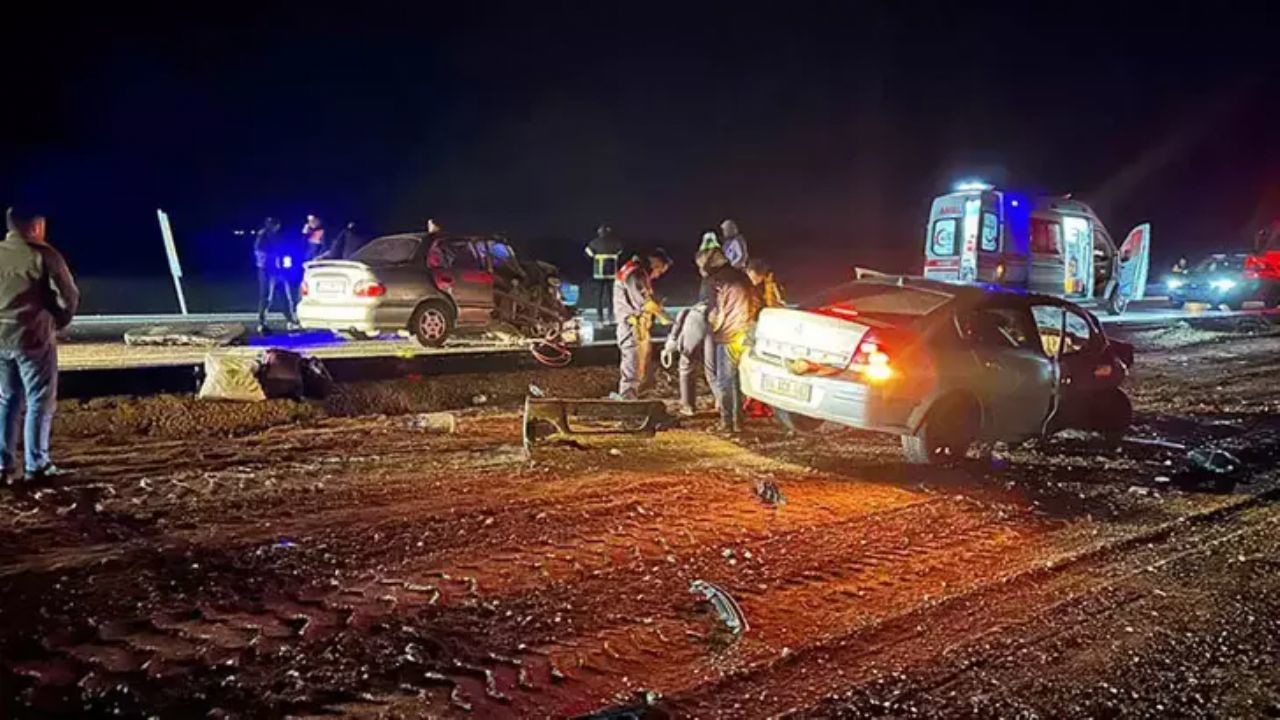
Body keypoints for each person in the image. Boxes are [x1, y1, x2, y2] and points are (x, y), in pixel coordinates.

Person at [0, 205, 79, 484]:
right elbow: (69, 295)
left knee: (7, 400)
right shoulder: (45, 255)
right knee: (39, 401)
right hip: (33, 338)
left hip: (1, 339)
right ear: (36, 226)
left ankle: (4, 465)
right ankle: (37, 464)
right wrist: (59, 321)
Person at [701, 247, 759, 432]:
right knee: (737, 380)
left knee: (724, 381)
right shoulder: (741, 276)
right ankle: (739, 422)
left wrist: (711, 329)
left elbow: (715, 313)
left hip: (727, 336)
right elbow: (756, 302)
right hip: (744, 334)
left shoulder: (715, 281)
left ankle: (726, 423)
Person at [612, 248, 673, 399]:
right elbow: (644, 302)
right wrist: (663, 316)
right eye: (659, 269)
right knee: (633, 365)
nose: (658, 274)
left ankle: (641, 397)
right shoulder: (635, 273)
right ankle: (628, 401)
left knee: (642, 364)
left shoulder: (636, 271)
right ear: (655, 261)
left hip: (638, 327)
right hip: (632, 327)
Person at [660, 301, 713, 417]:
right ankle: (726, 411)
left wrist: (673, 339)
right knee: (714, 371)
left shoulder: (706, 287)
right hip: (721, 323)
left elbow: (683, 313)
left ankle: (687, 406)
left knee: (686, 364)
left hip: (699, 317)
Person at [255, 217, 299, 333]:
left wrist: (285, 260)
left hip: (279, 270)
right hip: (267, 271)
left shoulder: (278, 235)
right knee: (266, 297)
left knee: (285, 296)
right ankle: (262, 323)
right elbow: (260, 252)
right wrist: (271, 261)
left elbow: (284, 249)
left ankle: (291, 321)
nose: (277, 228)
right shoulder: (263, 235)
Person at [584, 224, 623, 324]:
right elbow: (620, 252)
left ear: (599, 232)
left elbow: (588, 253)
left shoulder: (594, 243)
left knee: (599, 296)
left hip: (599, 273)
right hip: (612, 273)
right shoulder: (615, 243)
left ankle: (600, 316)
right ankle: (611, 315)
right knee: (611, 296)